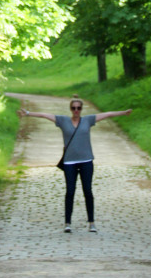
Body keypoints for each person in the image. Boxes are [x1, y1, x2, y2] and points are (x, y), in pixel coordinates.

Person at [18, 94, 132, 233]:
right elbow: (44, 115)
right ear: (70, 109)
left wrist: (123, 113)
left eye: (78, 108)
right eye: (74, 108)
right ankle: (67, 223)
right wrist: (28, 113)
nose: (76, 110)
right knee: (70, 191)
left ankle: (91, 222)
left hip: (86, 161)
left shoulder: (88, 120)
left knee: (88, 191)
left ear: (82, 109)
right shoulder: (63, 120)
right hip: (69, 162)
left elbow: (107, 115)